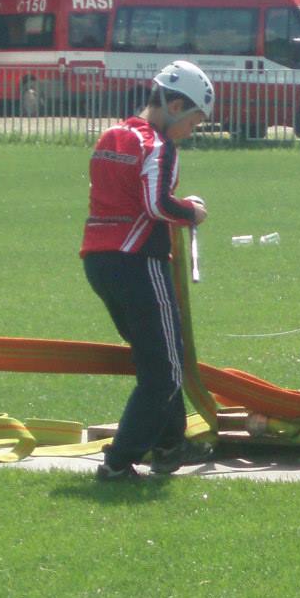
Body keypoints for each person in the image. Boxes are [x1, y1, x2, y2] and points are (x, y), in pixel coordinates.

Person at [81, 60, 215, 481]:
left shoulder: (112, 135)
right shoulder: (157, 145)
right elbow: (157, 204)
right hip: (138, 260)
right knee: (166, 371)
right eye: (193, 121)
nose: (191, 131)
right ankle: (119, 462)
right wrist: (191, 211)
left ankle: (170, 446)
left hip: (98, 260)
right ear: (175, 106)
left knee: (156, 356)